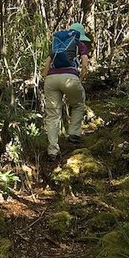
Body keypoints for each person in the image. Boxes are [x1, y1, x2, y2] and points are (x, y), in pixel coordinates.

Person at [43, 23, 91, 159]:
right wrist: (80, 77)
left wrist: (48, 78)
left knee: (52, 115)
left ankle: (52, 151)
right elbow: (85, 64)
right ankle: (74, 134)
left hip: (51, 79)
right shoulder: (79, 44)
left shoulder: (57, 44)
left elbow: (46, 67)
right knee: (78, 104)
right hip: (70, 78)